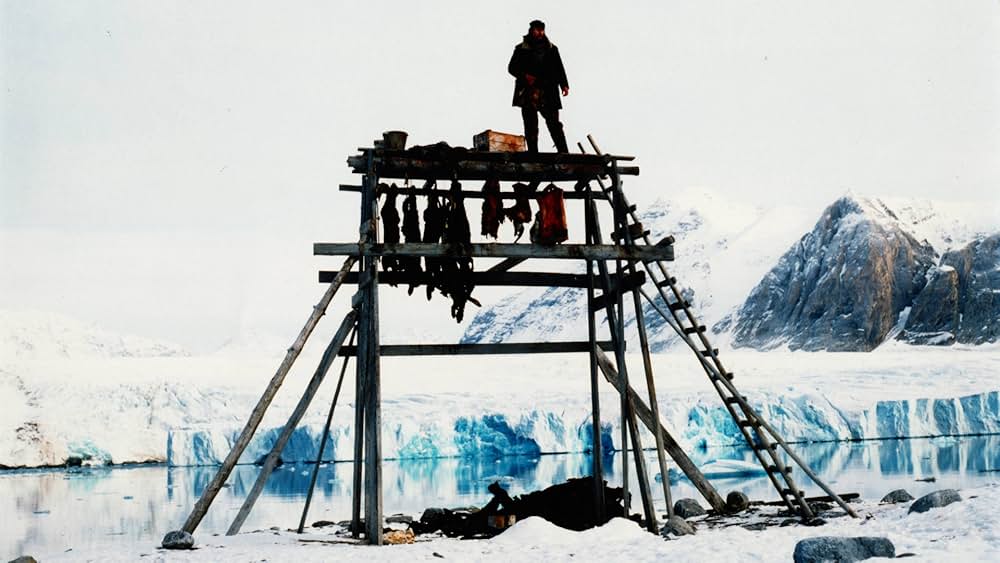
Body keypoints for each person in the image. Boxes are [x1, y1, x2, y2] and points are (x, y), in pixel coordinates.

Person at [508, 20, 570, 153]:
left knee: (554, 123)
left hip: (549, 90)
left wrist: (564, 85)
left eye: (541, 29)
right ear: (531, 30)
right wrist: (525, 76)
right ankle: (533, 153)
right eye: (536, 29)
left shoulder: (552, 49)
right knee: (531, 124)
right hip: (528, 91)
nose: (539, 32)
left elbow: (559, 68)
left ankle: (564, 152)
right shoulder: (521, 49)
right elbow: (512, 68)